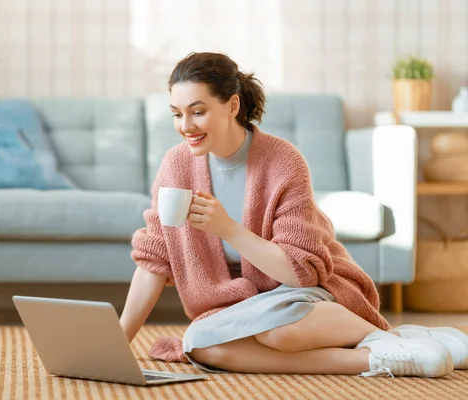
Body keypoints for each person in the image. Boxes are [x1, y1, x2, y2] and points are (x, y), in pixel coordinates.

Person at [119, 52, 468, 377]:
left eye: (198, 111)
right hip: (239, 308)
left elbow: (299, 273)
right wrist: (118, 343)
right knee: (202, 345)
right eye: (177, 114)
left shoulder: (282, 161)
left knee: (280, 332)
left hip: (305, 294)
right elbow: (154, 259)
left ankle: (378, 333)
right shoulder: (176, 166)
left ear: (232, 105)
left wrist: (227, 228)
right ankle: (379, 356)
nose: (186, 126)